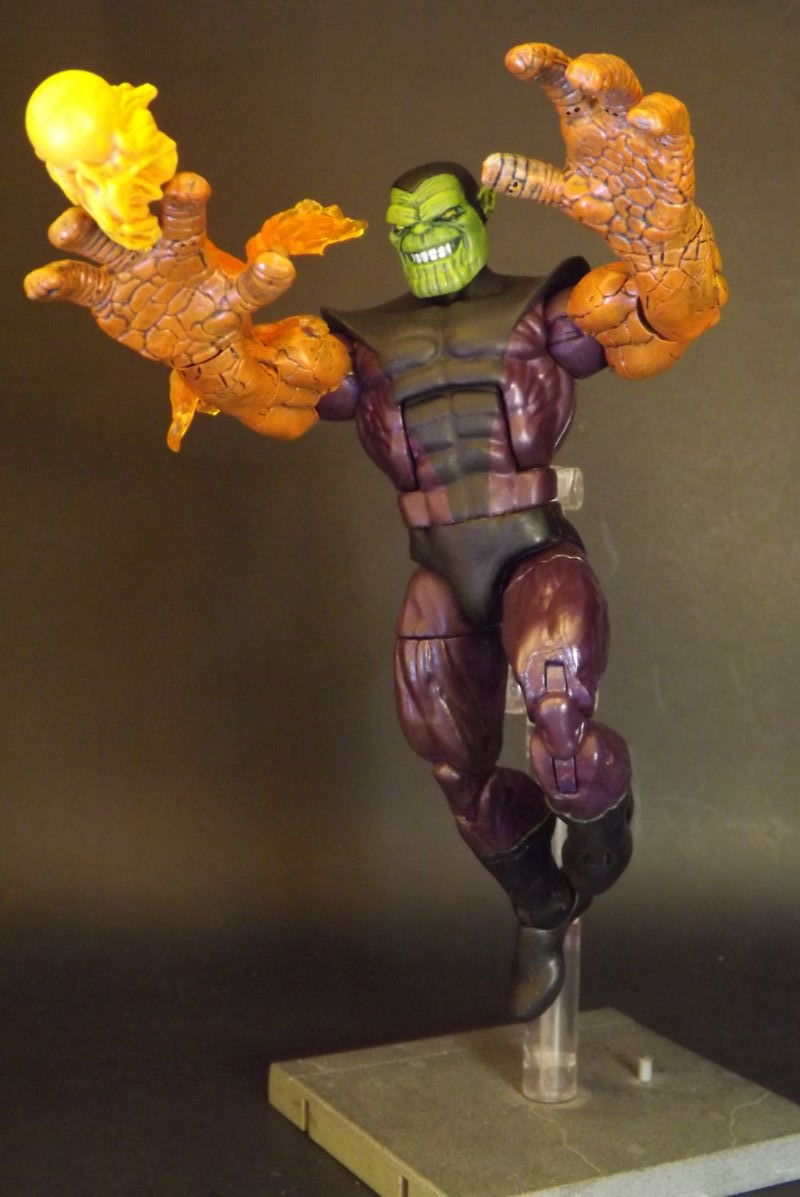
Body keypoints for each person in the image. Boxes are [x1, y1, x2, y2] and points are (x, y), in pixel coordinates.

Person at [25, 43, 726, 1020]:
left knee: (561, 729)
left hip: (532, 550)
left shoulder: (545, 315)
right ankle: (537, 905)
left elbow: (662, 322)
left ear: (480, 215)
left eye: (441, 218)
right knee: (456, 771)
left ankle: (603, 830)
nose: (423, 238)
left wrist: (667, 240)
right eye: (406, 228)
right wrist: (201, 345)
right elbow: (270, 397)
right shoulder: (357, 347)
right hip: (438, 568)